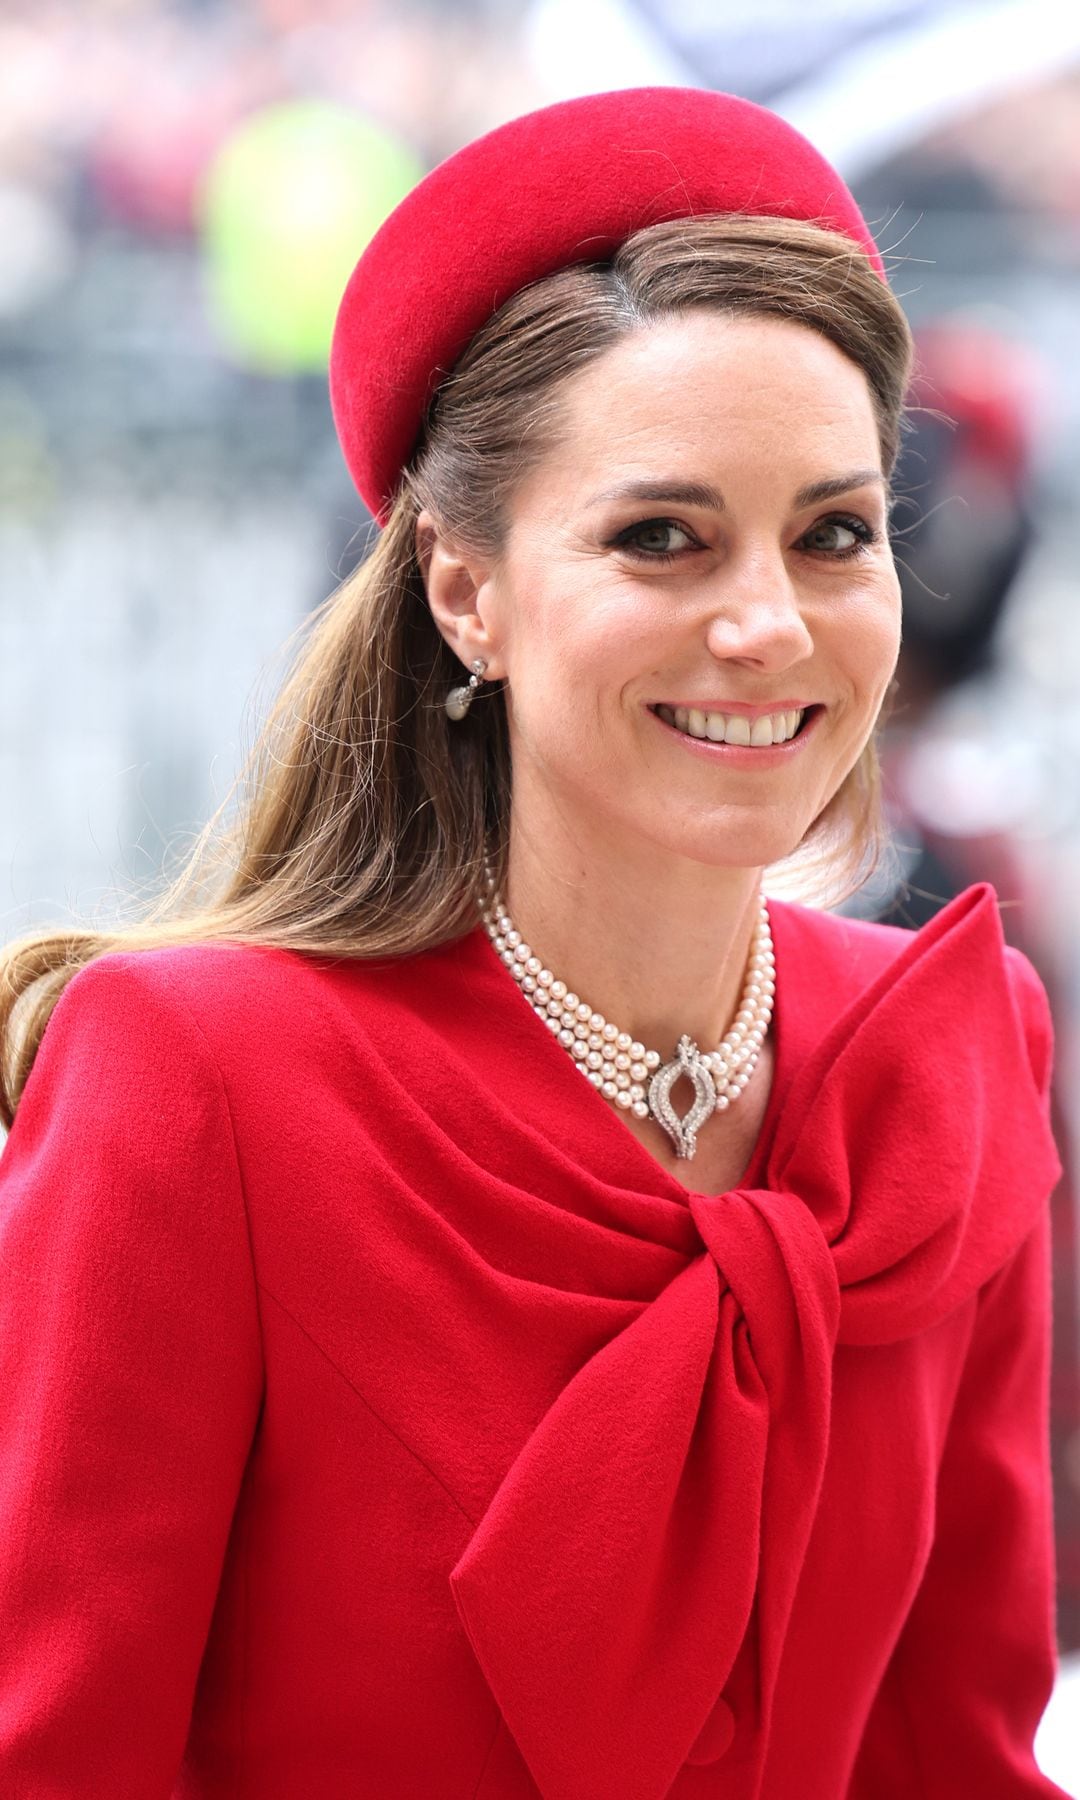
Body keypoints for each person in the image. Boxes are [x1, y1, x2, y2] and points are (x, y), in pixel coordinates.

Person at [0, 86, 1068, 1800]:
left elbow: (960, 1748)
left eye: (835, 533)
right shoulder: (193, 1080)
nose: (766, 623)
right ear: (462, 590)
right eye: (662, 536)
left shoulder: (951, 1049)